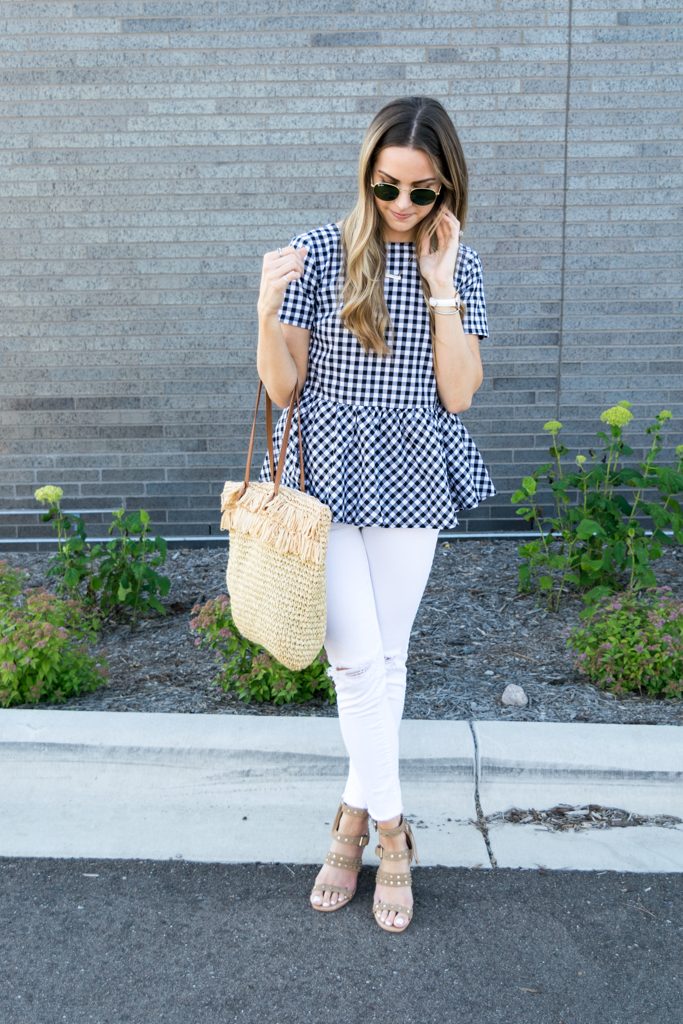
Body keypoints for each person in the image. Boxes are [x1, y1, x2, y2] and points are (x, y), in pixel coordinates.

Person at [255, 95, 495, 934]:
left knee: (387, 659)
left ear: (446, 190)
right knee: (358, 662)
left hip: (410, 469)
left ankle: (349, 821)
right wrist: (263, 309)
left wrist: (436, 283)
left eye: (421, 192)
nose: (401, 207)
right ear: (366, 176)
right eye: (387, 187)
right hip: (323, 469)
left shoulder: (454, 262)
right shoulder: (320, 251)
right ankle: (393, 835)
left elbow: (458, 395)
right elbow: (284, 389)